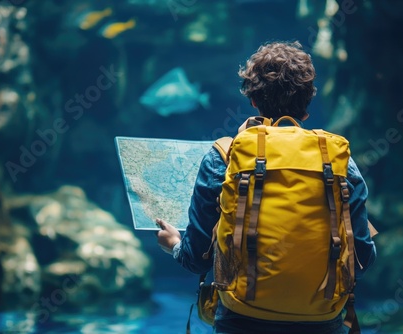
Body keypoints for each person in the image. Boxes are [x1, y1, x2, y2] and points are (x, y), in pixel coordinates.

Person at [156, 41, 377, 334]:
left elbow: (196, 259)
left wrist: (173, 244)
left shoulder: (224, 156)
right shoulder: (339, 161)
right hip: (323, 319)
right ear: (308, 104)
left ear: (253, 102)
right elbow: (362, 258)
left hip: (241, 317)